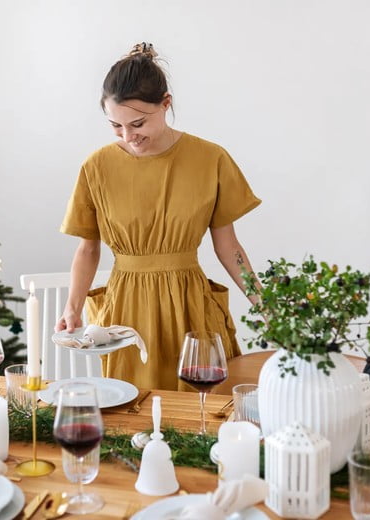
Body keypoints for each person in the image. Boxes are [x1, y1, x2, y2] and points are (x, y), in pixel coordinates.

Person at [57, 42, 261, 391]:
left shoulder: (210, 159)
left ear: (165, 104)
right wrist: (71, 308)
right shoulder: (96, 167)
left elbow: (228, 246)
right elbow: (88, 249)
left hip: (189, 306)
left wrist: (264, 302)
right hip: (127, 315)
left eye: (137, 123)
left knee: (202, 412)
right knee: (130, 413)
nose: (128, 136)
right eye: (116, 126)